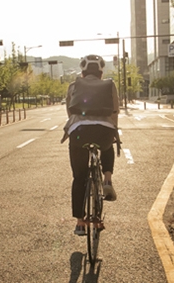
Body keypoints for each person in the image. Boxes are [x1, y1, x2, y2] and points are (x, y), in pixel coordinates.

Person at [61, 54, 120, 236]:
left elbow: (70, 111)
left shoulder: (74, 86)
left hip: (79, 133)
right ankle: (107, 178)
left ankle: (80, 222)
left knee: (79, 178)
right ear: (101, 72)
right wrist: (113, 132)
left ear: (83, 71)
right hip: (103, 132)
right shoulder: (110, 85)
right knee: (107, 145)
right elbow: (115, 110)